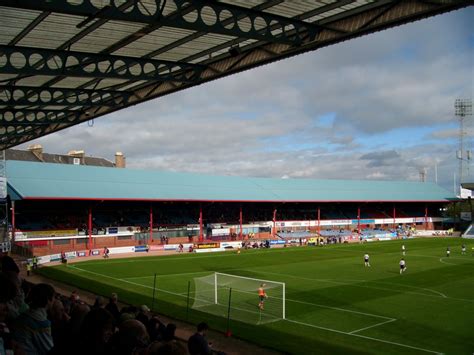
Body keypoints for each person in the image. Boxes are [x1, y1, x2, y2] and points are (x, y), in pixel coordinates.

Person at [13, 283, 55, 355]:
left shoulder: (24, 314)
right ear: (48, 299)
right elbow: (49, 349)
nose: (54, 300)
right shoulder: (40, 322)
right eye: (54, 297)